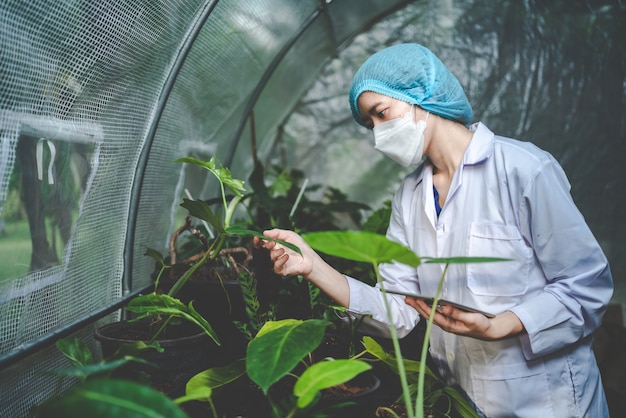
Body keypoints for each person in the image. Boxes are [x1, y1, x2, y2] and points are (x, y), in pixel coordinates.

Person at [254, 43, 613, 417]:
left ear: (419, 97)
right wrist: (313, 266)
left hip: (547, 400)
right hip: (461, 399)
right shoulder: (409, 196)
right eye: (369, 125)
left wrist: (498, 326)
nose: (378, 134)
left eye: (381, 114)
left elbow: (586, 286)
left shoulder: (523, 170)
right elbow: (399, 309)